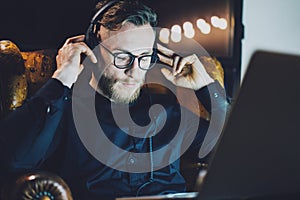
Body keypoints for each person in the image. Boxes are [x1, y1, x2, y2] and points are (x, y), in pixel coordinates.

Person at [0, 0, 228, 199]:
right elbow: (11, 159)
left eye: (145, 57)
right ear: (92, 50)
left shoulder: (168, 111)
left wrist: (205, 87)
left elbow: (237, 149)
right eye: (122, 57)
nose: (134, 71)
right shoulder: (61, 111)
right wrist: (62, 78)